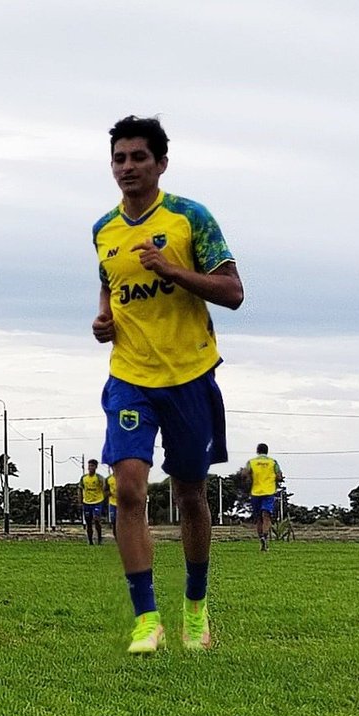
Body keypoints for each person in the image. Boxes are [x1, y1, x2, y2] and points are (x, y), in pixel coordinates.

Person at [91, 116, 243, 653]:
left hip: (190, 376)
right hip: (130, 377)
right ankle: (145, 618)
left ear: (160, 164)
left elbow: (232, 291)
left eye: (137, 158)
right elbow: (109, 289)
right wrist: (102, 321)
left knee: (190, 493)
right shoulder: (102, 230)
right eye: (119, 158)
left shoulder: (189, 218)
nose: (127, 167)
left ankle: (196, 609)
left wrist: (175, 271)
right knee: (128, 487)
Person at [244, 443, 283, 551]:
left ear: (257, 451)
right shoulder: (273, 462)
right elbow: (279, 475)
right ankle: (265, 537)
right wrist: (276, 478)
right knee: (266, 516)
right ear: (267, 451)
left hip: (256, 492)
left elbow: (245, 473)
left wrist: (249, 480)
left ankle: (261, 537)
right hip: (269, 491)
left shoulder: (251, 462)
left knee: (258, 518)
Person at [79, 458, 106, 545]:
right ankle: (90, 540)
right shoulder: (84, 478)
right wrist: (80, 501)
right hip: (87, 502)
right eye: (89, 466)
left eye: (92, 466)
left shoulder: (99, 478)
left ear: (96, 467)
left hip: (97, 502)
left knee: (97, 520)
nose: (90, 467)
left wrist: (104, 498)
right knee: (88, 522)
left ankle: (99, 538)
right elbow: (80, 488)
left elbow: (105, 489)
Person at [106, 465, 118, 536]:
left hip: (122, 504)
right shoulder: (109, 479)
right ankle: (116, 537)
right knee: (113, 521)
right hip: (112, 503)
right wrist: (108, 493)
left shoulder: (124, 477)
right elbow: (105, 490)